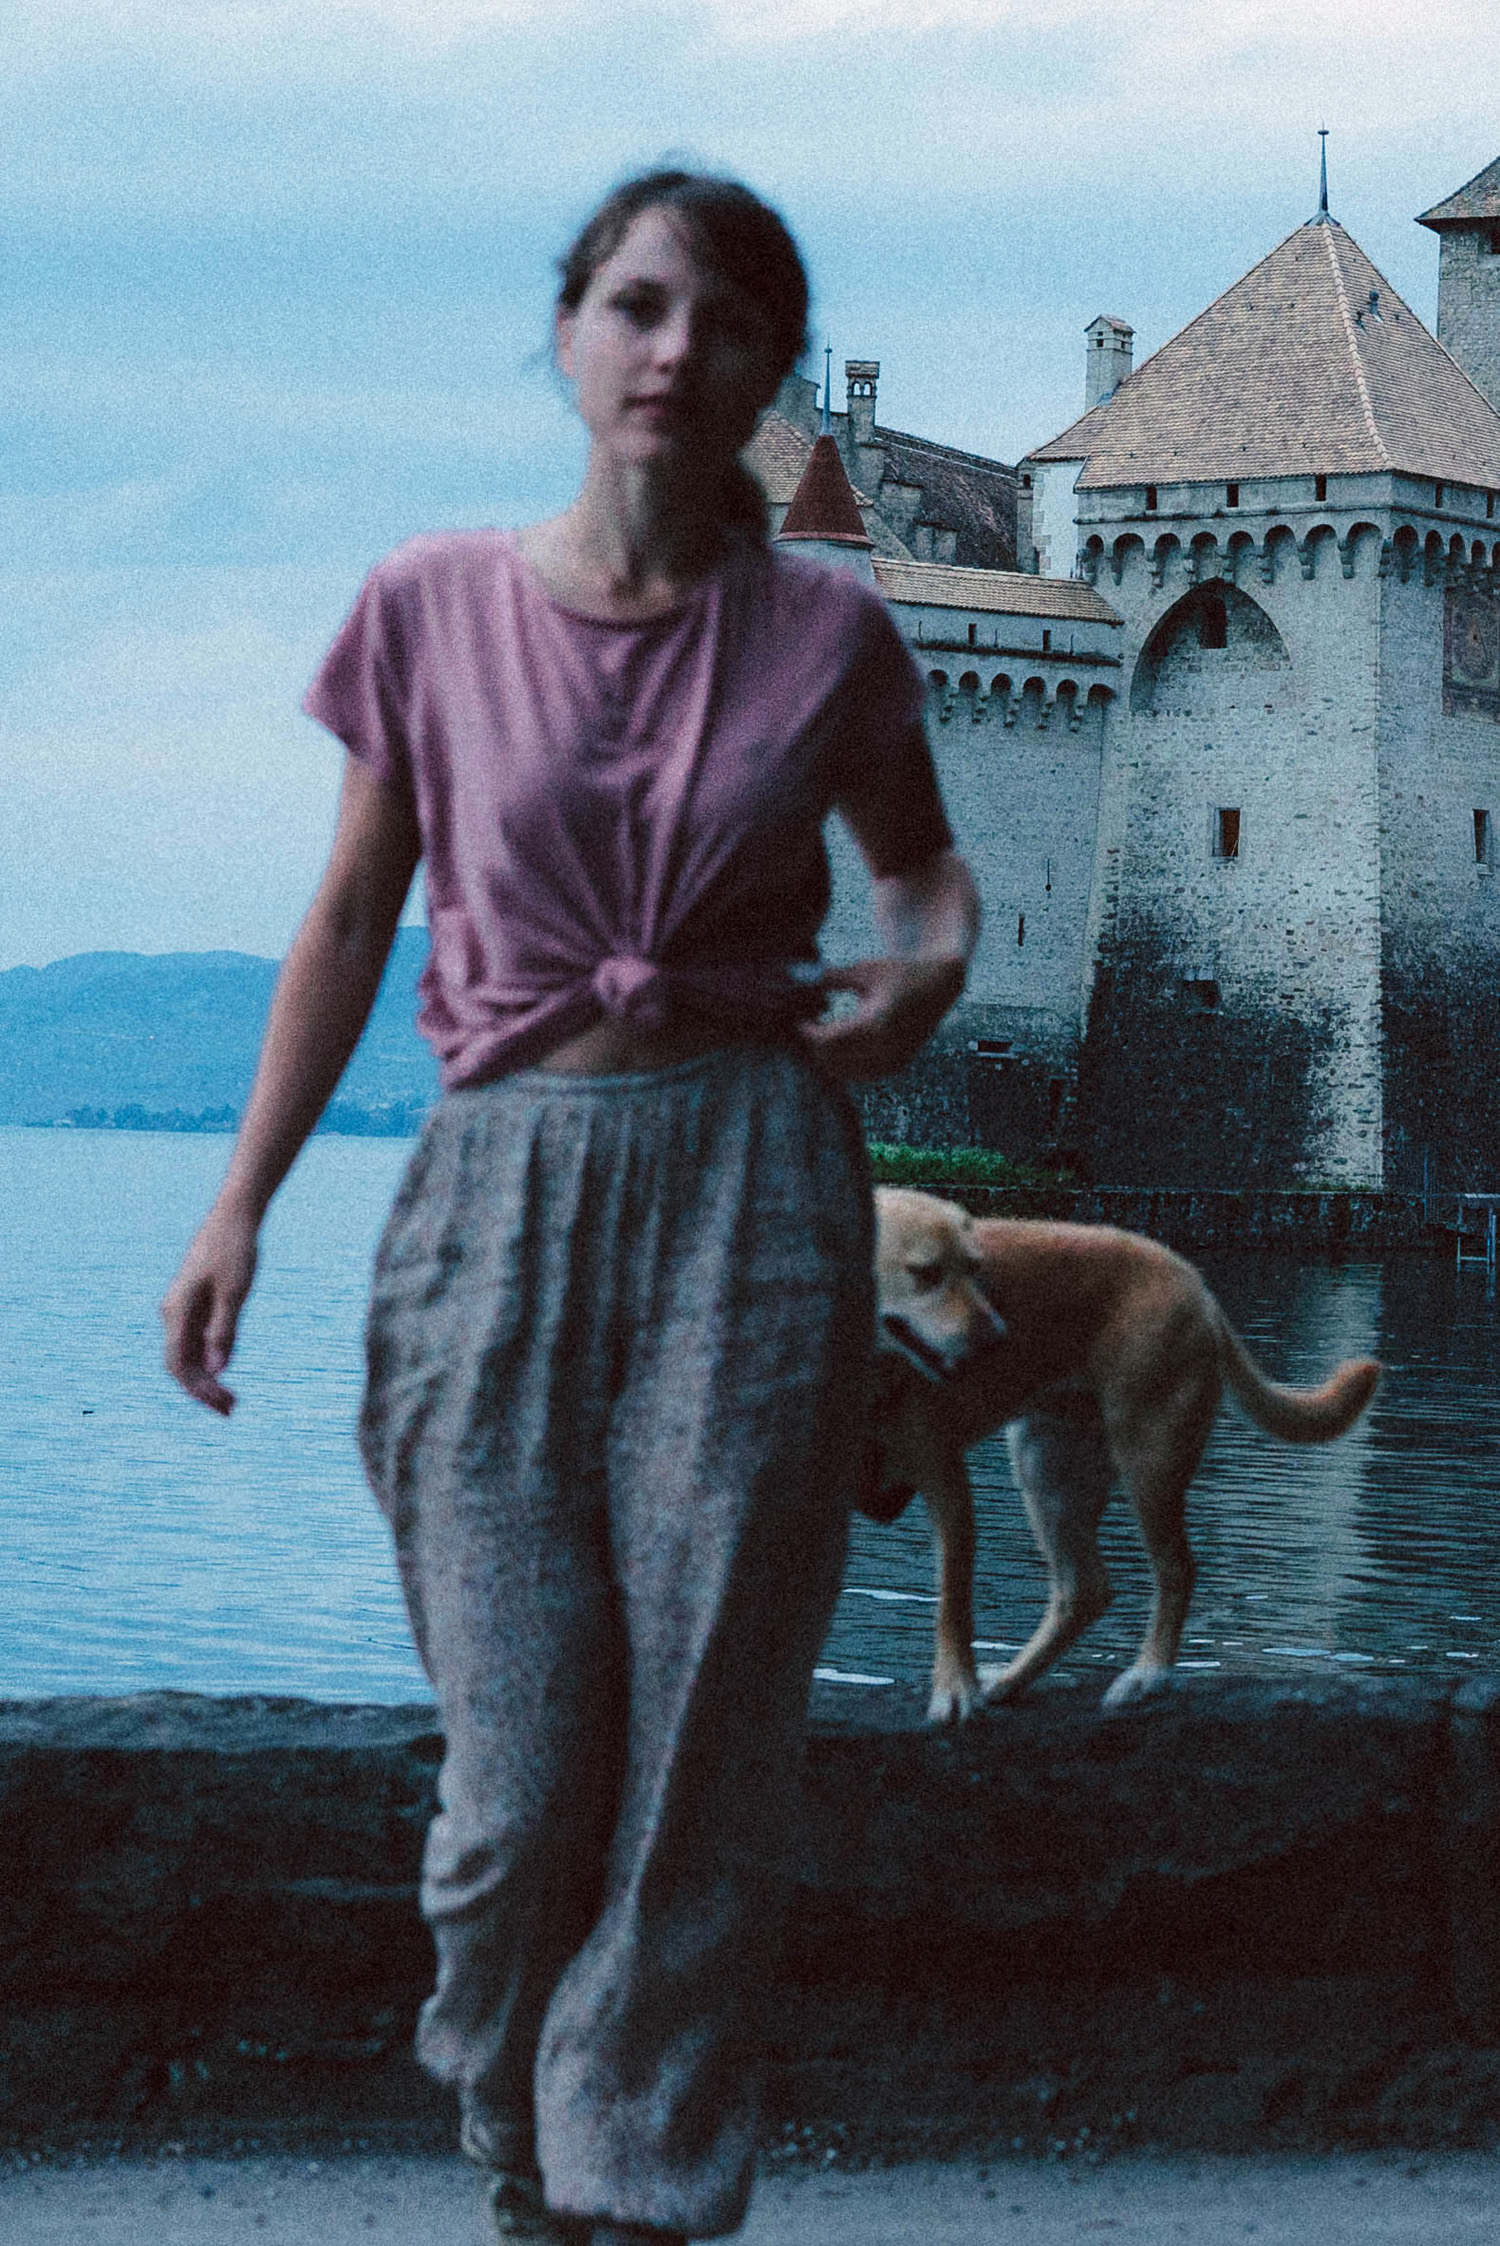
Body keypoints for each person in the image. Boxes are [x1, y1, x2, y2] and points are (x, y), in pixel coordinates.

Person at [162, 169, 979, 2246]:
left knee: (705, 1754)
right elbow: (349, 916)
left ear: (777, 371)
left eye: (724, 321)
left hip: (751, 1189)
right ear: (567, 331)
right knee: (515, 1791)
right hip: (497, 1189)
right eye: (635, 304)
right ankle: (518, 2129)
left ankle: (636, 2194)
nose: (672, 349)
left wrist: (926, 976)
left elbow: (923, 875)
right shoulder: (430, 605)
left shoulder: (830, 633)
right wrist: (240, 1204)